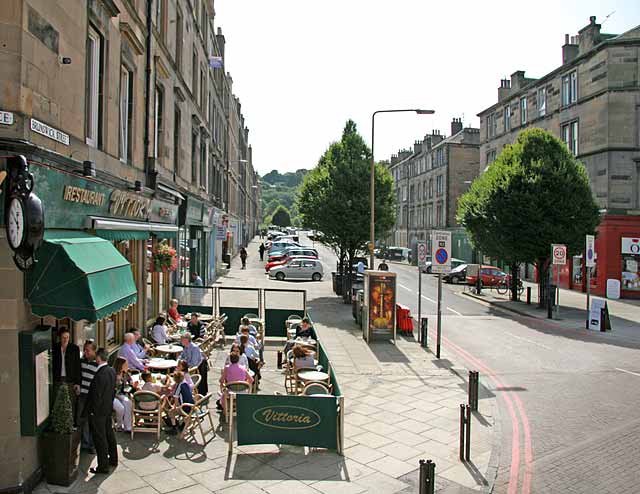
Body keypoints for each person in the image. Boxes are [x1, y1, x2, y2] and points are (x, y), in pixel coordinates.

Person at [87, 348, 117, 474]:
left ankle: (103, 465)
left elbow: (96, 396)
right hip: (107, 409)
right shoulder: (111, 371)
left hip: (98, 412)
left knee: (100, 438)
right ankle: (113, 459)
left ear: (98, 358)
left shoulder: (100, 374)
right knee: (109, 434)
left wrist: (93, 411)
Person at [52, 327, 81, 412]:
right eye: (63, 338)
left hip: (70, 380)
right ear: (60, 337)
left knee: (70, 403)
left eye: (67, 337)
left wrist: (77, 383)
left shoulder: (74, 348)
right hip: (58, 379)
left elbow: (77, 366)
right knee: (57, 402)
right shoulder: (55, 348)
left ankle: (71, 423)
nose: (65, 340)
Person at [77, 340, 98, 453]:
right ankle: (85, 443)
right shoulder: (81, 361)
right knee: (83, 420)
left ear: (94, 351)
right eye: (84, 350)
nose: (85, 352)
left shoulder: (97, 364)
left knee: (92, 421)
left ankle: (92, 444)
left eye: (88, 350)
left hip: (92, 397)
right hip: (82, 395)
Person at [112, 357, 133, 432]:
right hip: (111, 395)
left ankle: (128, 426)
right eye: (126, 364)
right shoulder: (113, 373)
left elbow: (127, 386)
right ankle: (119, 425)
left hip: (120, 394)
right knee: (121, 408)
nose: (127, 365)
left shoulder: (125, 373)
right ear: (121, 365)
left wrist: (131, 383)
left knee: (128, 402)